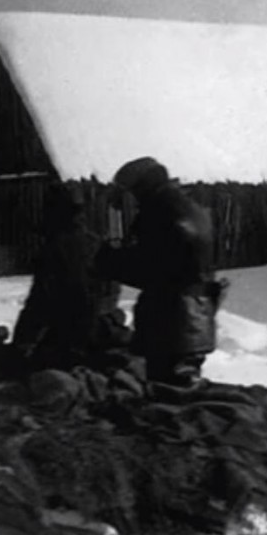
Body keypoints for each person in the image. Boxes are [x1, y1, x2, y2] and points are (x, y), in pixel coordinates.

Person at [94, 157, 223, 386]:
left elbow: (151, 268)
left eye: (132, 191)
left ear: (143, 186)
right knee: (183, 391)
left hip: (171, 324)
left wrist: (106, 260)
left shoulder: (159, 211)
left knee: (167, 392)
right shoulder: (189, 208)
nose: (132, 198)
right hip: (196, 318)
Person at [12, 183, 126, 369]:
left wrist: (21, 344)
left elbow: (39, 304)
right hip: (101, 334)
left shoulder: (54, 250)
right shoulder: (96, 243)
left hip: (66, 341)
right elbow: (112, 291)